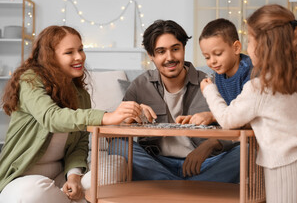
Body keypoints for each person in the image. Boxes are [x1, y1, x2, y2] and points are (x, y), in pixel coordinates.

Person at [0, 25, 141, 203]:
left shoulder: (81, 95)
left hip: (60, 178)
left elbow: (79, 145)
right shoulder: (30, 80)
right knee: (32, 193)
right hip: (22, 180)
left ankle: (69, 196)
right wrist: (106, 117)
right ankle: (76, 199)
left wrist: (74, 177)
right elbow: (52, 118)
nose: (79, 57)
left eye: (80, 50)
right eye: (69, 52)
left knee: (118, 163)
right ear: (50, 58)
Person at [200, 4, 297, 202]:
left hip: (284, 169)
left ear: (264, 46)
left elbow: (228, 119)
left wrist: (209, 90)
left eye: (250, 40)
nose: (248, 47)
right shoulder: (296, 80)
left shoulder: (260, 87)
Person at [110, 19, 240, 183]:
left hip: (204, 163)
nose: (170, 57)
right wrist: (130, 116)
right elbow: (112, 134)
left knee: (247, 151)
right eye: (161, 51)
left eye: (175, 49)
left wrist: (213, 143)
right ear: (151, 56)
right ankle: (188, 189)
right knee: (117, 145)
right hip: (157, 163)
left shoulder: (211, 83)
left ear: (184, 49)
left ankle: (169, 187)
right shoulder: (139, 86)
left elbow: (238, 126)